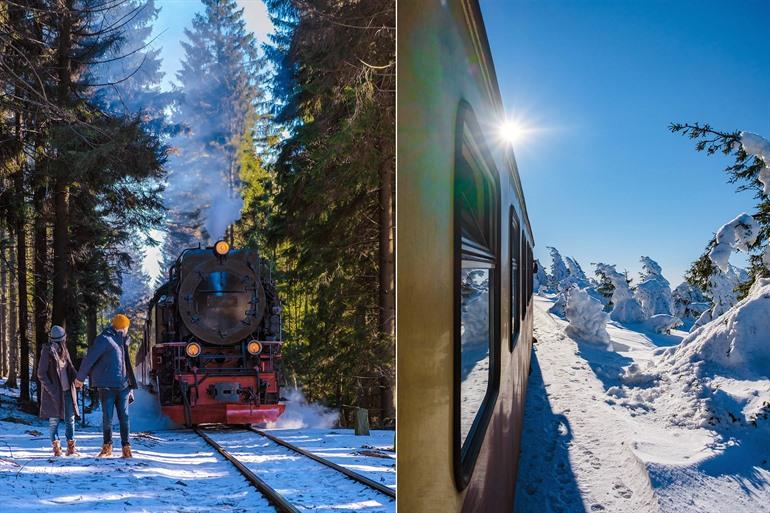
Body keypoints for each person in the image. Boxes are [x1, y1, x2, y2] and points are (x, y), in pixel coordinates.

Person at [74, 314, 137, 459]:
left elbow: (127, 365)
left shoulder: (124, 341)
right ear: (123, 327)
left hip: (124, 386)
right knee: (108, 418)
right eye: (127, 327)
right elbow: (89, 359)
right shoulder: (104, 339)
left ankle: (126, 449)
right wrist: (80, 378)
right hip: (107, 386)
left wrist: (131, 386)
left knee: (124, 418)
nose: (128, 329)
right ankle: (107, 448)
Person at [37, 325, 80, 457]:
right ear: (62, 339)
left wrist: (78, 378)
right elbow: (41, 373)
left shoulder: (64, 350)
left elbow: (70, 368)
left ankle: (71, 447)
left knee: (70, 419)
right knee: (54, 420)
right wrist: (52, 389)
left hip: (67, 391)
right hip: (54, 393)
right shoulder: (47, 351)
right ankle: (56, 448)